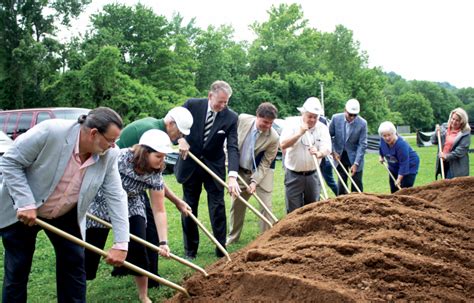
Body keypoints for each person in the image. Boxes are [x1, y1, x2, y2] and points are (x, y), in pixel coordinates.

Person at [0, 107, 129, 303]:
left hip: (66, 213)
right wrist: (25, 201)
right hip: (24, 210)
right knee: (17, 269)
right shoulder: (51, 132)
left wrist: (121, 243)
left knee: (74, 264)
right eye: (110, 140)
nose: (113, 146)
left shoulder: (109, 155)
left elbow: (116, 196)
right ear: (93, 133)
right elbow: (10, 162)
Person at [86, 129, 174, 303]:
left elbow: (159, 209)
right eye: (159, 156)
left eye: (164, 157)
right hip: (102, 202)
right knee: (88, 253)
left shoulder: (156, 173)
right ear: (145, 152)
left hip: (132, 205)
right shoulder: (120, 157)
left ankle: (143, 295)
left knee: (139, 247)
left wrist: (163, 242)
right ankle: (78, 291)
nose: (162, 161)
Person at [116, 107, 192, 288]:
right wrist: (176, 201)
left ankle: (138, 271)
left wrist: (177, 202)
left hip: (136, 187)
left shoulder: (155, 130)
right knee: (147, 229)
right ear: (171, 123)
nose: (179, 136)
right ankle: (147, 274)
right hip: (117, 184)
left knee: (140, 225)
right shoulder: (151, 133)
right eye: (179, 132)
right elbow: (152, 180)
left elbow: (154, 180)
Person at [174, 80, 240, 259]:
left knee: (218, 207)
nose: (223, 105)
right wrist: (180, 140)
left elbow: (233, 146)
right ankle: (190, 250)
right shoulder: (191, 105)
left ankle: (221, 248)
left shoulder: (231, 117)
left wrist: (233, 175)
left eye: (226, 102)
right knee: (189, 207)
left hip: (214, 166)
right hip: (190, 164)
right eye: (220, 101)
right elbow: (173, 123)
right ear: (210, 96)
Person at [226, 102, 279, 245]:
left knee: (266, 206)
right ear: (257, 116)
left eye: (271, 123)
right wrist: (231, 170)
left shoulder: (273, 137)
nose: (268, 126)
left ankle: (266, 239)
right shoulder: (242, 120)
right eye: (265, 122)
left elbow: (266, 163)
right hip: (240, 171)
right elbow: (230, 141)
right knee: (237, 205)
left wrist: (255, 181)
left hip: (262, 172)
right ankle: (232, 237)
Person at [280, 97, 332, 213]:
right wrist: (299, 133)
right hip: (294, 175)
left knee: (313, 209)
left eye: (316, 117)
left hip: (313, 175)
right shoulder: (292, 124)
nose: (313, 120)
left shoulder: (322, 128)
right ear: (303, 113)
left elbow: (327, 148)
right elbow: (283, 144)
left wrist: (319, 153)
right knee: (294, 211)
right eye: (310, 116)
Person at [329, 98, 368, 195]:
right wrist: (333, 152)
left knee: (356, 182)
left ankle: (358, 203)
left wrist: (356, 163)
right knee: (341, 182)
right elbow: (328, 136)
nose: (352, 117)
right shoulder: (335, 118)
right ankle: (342, 204)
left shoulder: (362, 123)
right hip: (340, 155)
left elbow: (362, 144)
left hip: (355, 156)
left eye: (355, 115)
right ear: (345, 110)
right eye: (350, 114)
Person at [378, 121, 420, 193]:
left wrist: (399, 179)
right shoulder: (383, 140)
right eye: (384, 136)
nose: (387, 138)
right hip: (394, 165)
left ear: (394, 133)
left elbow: (404, 164)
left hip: (409, 165)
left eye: (389, 135)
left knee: (404, 189)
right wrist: (381, 156)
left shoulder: (401, 145)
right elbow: (381, 148)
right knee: (393, 188)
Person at [431, 108, 471, 179]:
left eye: (457, 120)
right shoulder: (444, 127)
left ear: (462, 121)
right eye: (453, 119)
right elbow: (433, 141)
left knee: (453, 188)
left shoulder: (465, 133)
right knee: (444, 187)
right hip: (444, 164)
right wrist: (436, 132)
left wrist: (446, 156)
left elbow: (459, 152)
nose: (454, 122)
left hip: (457, 167)